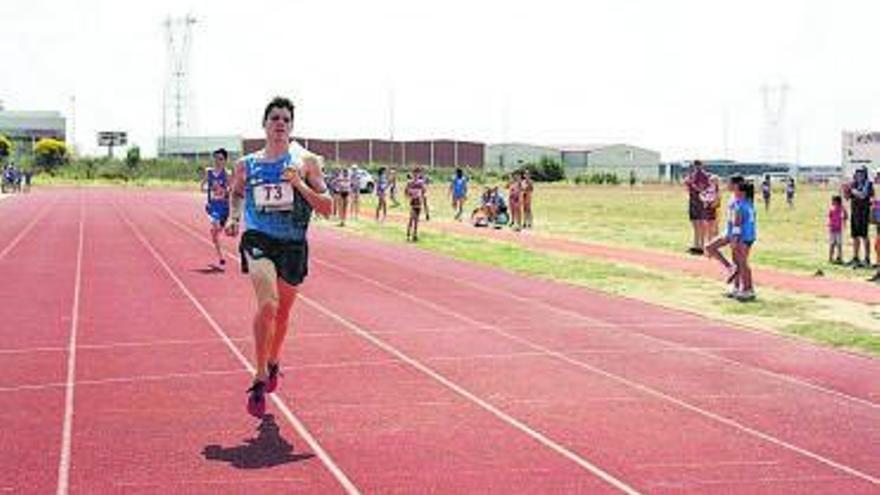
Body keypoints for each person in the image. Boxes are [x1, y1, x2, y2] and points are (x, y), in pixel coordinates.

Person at [225, 96, 332, 418]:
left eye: (286, 119)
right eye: (275, 118)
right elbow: (238, 191)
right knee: (267, 303)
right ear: (265, 124)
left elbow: (328, 207)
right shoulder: (247, 164)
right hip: (258, 238)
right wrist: (233, 217)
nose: (280, 123)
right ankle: (258, 376)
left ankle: (273, 362)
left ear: (292, 126)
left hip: (293, 244)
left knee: (282, 315)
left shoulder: (307, 161)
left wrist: (299, 184)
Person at [705, 175, 745, 292]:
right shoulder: (732, 196)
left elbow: (740, 216)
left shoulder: (740, 197)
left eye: (729, 183)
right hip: (728, 230)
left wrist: (735, 234)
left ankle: (739, 287)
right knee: (709, 247)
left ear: (736, 185)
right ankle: (730, 268)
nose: (727, 185)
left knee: (737, 260)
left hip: (736, 232)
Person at [200, 148, 231, 268]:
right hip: (213, 207)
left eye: (221, 159)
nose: (218, 161)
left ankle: (220, 256)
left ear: (225, 160)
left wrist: (224, 191)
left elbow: (231, 188)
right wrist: (210, 189)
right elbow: (202, 187)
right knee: (216, 225)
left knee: (216, 234)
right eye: (216, 158)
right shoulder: (209, 172)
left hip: (224, 208)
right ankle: (221, 258)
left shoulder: (227, 173)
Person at [731, 180, 757, 301]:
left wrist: (734, 240)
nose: (734, 192)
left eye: (736, 190)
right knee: (744, 263)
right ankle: (747, 288)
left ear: (742, 192)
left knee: (742, 264)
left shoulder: (740, 205)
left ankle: (747, 289)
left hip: (743, 236)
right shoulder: (750, 203)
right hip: (750, 236)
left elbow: (737, 223)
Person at [845, 167, 874, 268]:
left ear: (865, 174)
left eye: (861, 173)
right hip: (855, 213)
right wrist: (846, 190)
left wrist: (851, 190)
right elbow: (847, 198)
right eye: (857, 173)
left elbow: (863, 195)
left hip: (864, 213)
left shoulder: (868, 184)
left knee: (864, 236)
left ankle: (867, 258)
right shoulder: (854, 184)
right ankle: (855, 257)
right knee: (855, 236)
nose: (858, 175)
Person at [684, 160, 710, 254]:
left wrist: (692, 184)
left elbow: (703, 189)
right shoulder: (692, 175)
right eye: (695, 165)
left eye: (698, 165)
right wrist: (688, 183)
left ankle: (702, 246)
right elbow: (688, 187)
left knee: (701, 224)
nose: (696, 167)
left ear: (701, 166)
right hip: (693, 201)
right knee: (695, 224)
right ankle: (696, 245)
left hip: (701, 202)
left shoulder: (704, 176)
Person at [827, 194, 848, 265]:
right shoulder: (832, 209)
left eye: (833, 201)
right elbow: (829, 218)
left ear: (837, 201)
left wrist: (843, 210)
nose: (832, 202)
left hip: (838, 229)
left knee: (839, 244)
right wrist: (829, 225)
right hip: (832, 229)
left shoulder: (841, 209)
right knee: (832, 244)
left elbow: (845, 216)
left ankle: (839, 257)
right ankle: (830, 258)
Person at [406, 170, 425, 241]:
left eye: (417, 174)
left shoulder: (421, 183)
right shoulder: (410, 183)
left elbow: (424, 191)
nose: (416, 175)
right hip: (413, 203)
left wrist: (420, 196)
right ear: (413, 174)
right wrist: (410, 195)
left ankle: (415, 235)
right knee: (411, 218)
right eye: (415, 174)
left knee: (416, 220)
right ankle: (408, 234)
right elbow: (406, 192)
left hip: (419, 203)